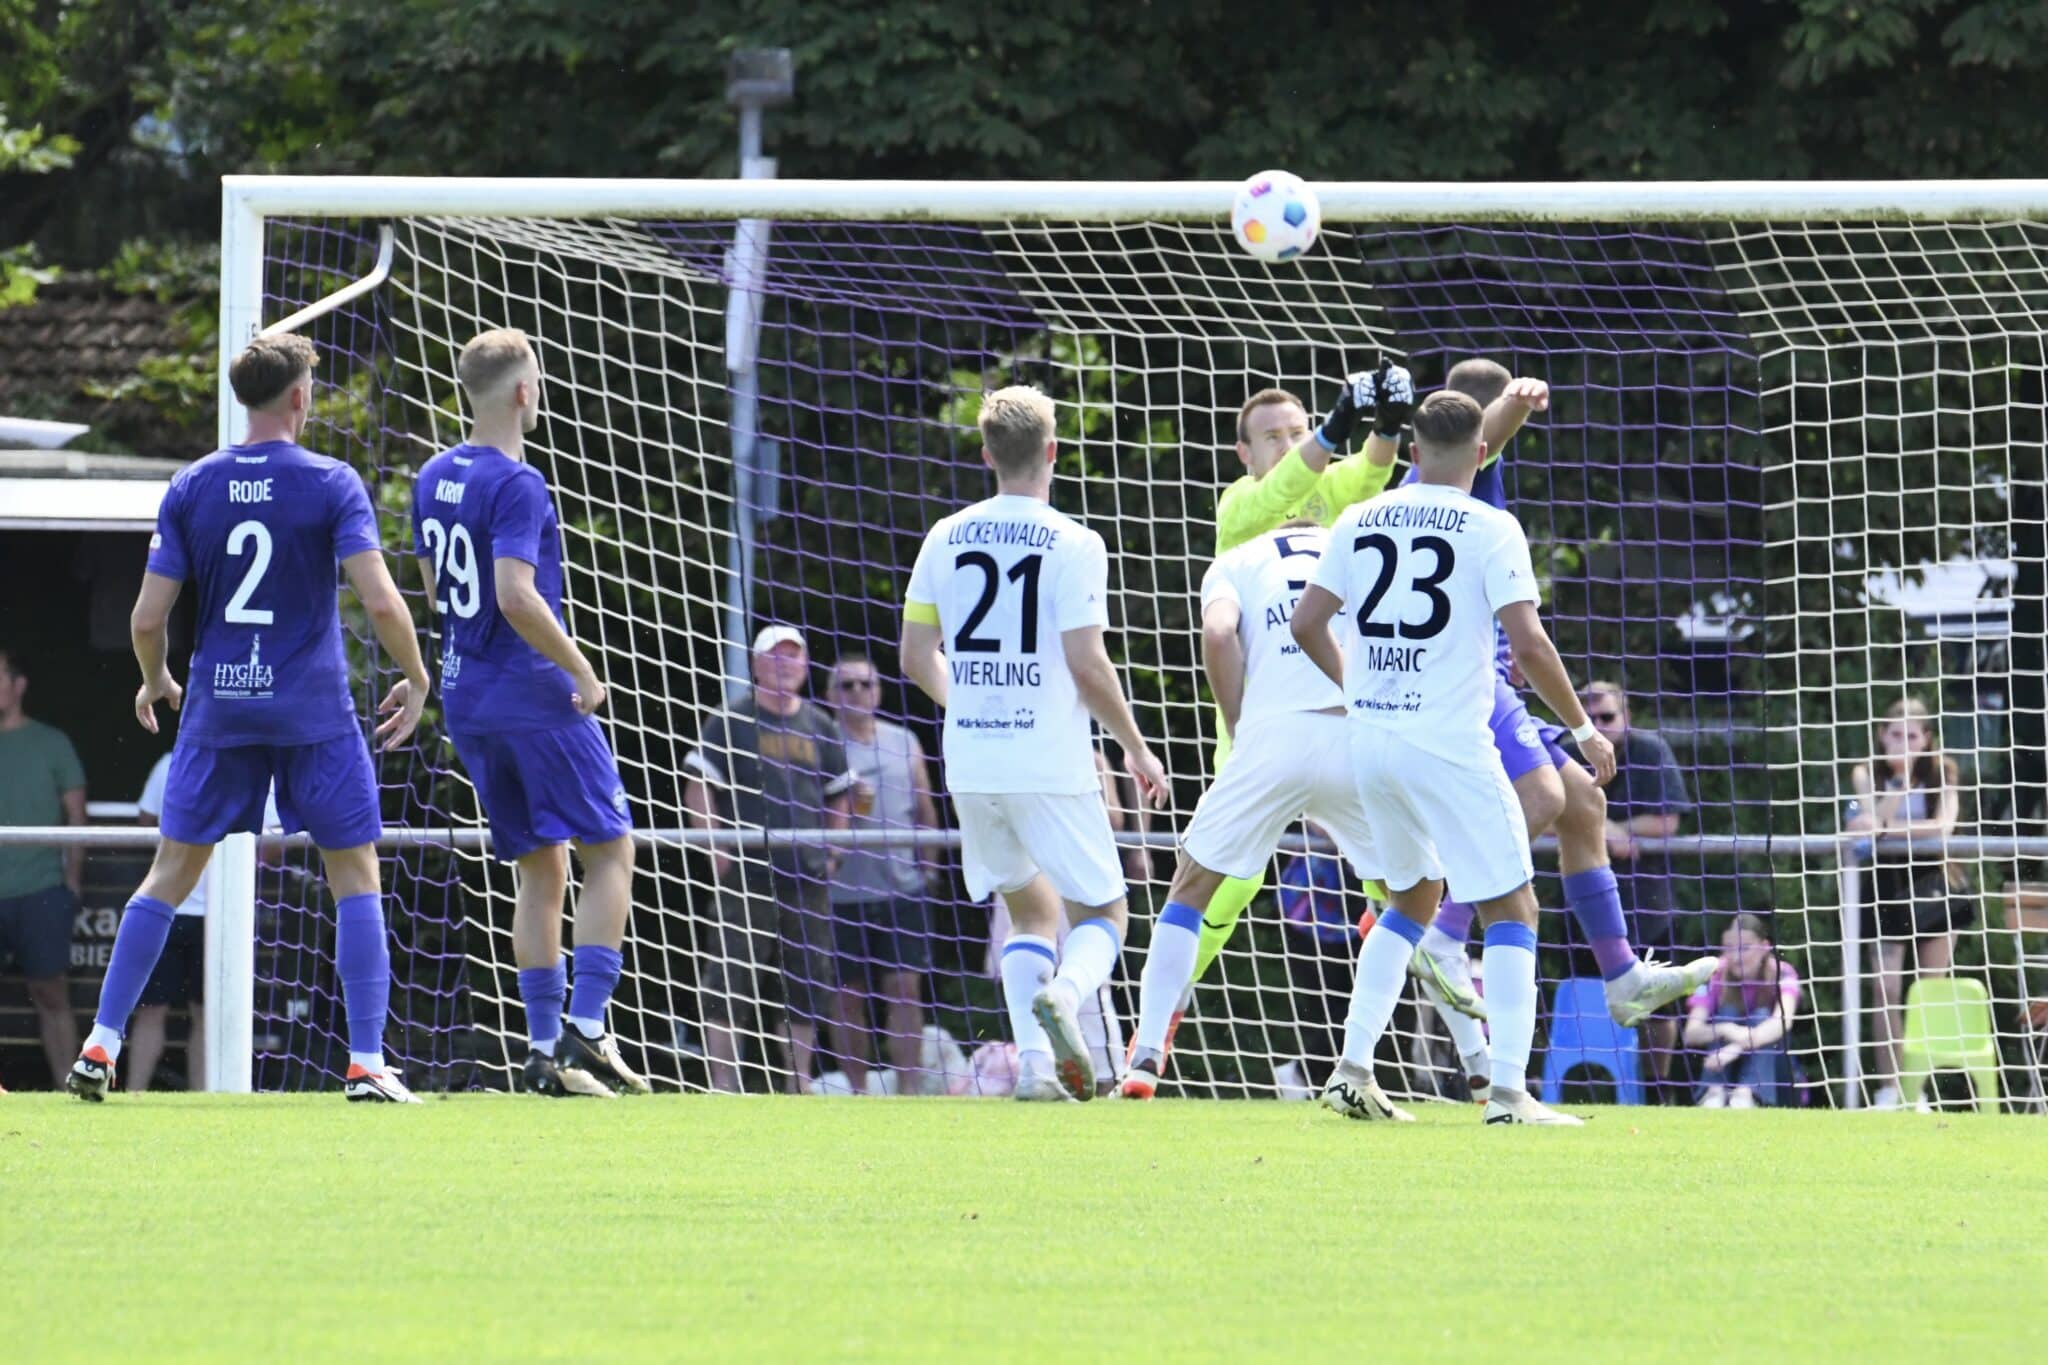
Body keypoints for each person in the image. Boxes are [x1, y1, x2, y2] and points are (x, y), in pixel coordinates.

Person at [69, 331, 430, 1104]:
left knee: (169, 874)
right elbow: (379, 600)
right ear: (300, 396)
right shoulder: (332, 481)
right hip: (312, 713)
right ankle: (366, 1062)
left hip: (221, 706)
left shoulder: (192, 484)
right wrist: (416, 674)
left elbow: (146, 618)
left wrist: (155, 678)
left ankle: (100, 1043)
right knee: (354, 873)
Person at [1290, 390, 1616, 1125]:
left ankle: (1351, 1071)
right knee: (1514, 905)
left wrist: (1358, 689)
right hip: (1448, 744)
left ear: (1411, 453)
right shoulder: (1492, 527)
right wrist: (1583, 727)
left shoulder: (1360, 516)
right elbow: (1530, 644)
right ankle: (1507, 1094)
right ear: (1482, 452)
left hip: (1372, 743)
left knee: (1412, 897)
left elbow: (1308, 623)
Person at [1119, 519, 1450, 1110]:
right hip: (1351, 732)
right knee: (1418, 894)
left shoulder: (1238, 560)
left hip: (1270, 740)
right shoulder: (1359, 549)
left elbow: (1218, 634)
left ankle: (1145, 1054)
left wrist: (1238, 726)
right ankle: (1396, 1065)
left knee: (1190, 889)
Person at [899, 384, 1168, 1102]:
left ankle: (1037, 1072)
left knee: (1030, 911)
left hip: (972, 760)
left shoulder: (944, 536)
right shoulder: (1075, 542)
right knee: (1105, 912)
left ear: (987, 455)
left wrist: (973, 705)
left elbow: (916, 656)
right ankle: (1067, 992)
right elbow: (1088, 663)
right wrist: (1136, 747)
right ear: (1052, 451)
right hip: (1048, 758)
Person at [412, 327, 645, 1099]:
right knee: (610, 848)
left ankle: (544, 1050)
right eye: (537, 381)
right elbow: (515, 595)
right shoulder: (518, 482)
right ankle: (589, 1024)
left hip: (468, 699)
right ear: (522, 391)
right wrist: (581, 668)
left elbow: (436, 590)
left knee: (540, 866)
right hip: (532, 692)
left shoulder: (432, 475)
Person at [685, 625, 860, 1094]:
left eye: (793, 656)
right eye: (775, 656)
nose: (785, 664)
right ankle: (724, 1083)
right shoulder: (730, 720)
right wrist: (715, 849)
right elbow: (699, 785)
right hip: (746, 874)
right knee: (729, 977)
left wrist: (834, 851)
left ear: (805, 665)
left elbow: (841, 795)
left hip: (806, 876)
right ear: (757, 664)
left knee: (807, 981)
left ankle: (798, 1082)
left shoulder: (821, 725)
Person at [1842, 696, 1973, 1110]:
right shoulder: (1868, 773)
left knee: (1927, 993)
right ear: (1882, 736)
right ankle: (1889, 1088)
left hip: (1935, 882)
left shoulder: (1943, 771)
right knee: (1885, 988)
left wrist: (1887, 828)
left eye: (1912, 736)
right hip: (1886, 883)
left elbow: (1942, 827)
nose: (1903, 743)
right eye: (1895, 735)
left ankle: (1916, 1091)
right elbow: (1869, 821)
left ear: (1926, 738)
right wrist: (1898, 786)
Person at [825, 652, 942, 1095]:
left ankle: (909, 1091)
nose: (857, 692)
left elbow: (925, 809)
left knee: (906, 991)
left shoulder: (904, 741)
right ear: (829, 695)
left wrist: (930, 869)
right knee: (846, 997)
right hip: (838, 893)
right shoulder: (821, 741)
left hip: (902, 889)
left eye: (866, 684)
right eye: (846, 685)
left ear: (879, 692)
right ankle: (857, 1092)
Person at [1581, 680, 1696, 1095]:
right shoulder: (1566, 750)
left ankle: (1656, 1088)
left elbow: (1667, 821)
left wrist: (1614, 828)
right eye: (1589, 719)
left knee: (1660, 1009)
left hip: (1648, 903)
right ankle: (1590, 1086)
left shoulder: (1650, 751)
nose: (1598, 726)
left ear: (1626, 717)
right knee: (1584, 999)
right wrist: (1603, 829)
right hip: (1582, 905)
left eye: (1606, 717)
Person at [0, 647, 88, 1086]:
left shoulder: (52, 743)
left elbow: (77, 817)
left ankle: (66, 1093)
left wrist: (70, 881)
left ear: (18, 685)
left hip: (41, 890)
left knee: (50, 993)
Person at [127, 753, 208, 1090]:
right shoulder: (169, 763)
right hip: (168, 908)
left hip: (219, 915)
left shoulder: (248, 763)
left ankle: (206, 1102)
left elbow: (271, 837)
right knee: (150, 1008)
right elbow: (146, 821)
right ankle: (132, 1099)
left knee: (207, 1015)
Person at [1272, 823, 1368, 1097]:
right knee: (1332, 1005)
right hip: (1314, 905)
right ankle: (1303, 1075)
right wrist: (1351, 835)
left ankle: (1309, 1076)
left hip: (1357, 902)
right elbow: (1315, 818)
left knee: (1361, 1001)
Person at [1683, 913, 1800, 1108]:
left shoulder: (1782, 972)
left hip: (1773, 1071)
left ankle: (1748, 1095)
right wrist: (1726, 1029)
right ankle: (1713, 1094)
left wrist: (1736, 1047)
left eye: (1744, 948)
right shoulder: (1714, 973)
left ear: (1764, 947)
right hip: (1718, 1064)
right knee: (1726, 1014)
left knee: (1762, 1017)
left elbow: (1783, 1022)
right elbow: (1691, 1033)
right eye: (1729, 948)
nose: (1736, 957)